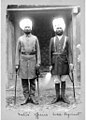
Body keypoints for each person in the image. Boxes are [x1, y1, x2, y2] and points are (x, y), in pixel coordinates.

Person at [15, 18, 41, 105]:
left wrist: (38, 63)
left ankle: (33, 97)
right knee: (24, 80)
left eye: (28, 27)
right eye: (25, 27)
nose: (27, 28)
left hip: (33, 59)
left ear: (31, 28)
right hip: (23, 60)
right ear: (23, 28)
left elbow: (38, 51)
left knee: (33, 79)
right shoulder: (20, 39)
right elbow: (17, 52)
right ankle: (26, 97)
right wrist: (16, 64)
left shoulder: (35, 38)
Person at [49, 17, 74, 104]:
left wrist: (71, 63)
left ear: (62, 29)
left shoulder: (67, 39)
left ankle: (63, 96)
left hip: (64, 62)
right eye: (57, 28)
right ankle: (57, 96)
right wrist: (50, 64)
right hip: (55, 62)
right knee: (56, 79)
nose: (59, 29)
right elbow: (50, 52)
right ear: (55, 30)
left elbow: (70, 52)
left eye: (60, 28)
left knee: (63, 79)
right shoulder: (52, 39)